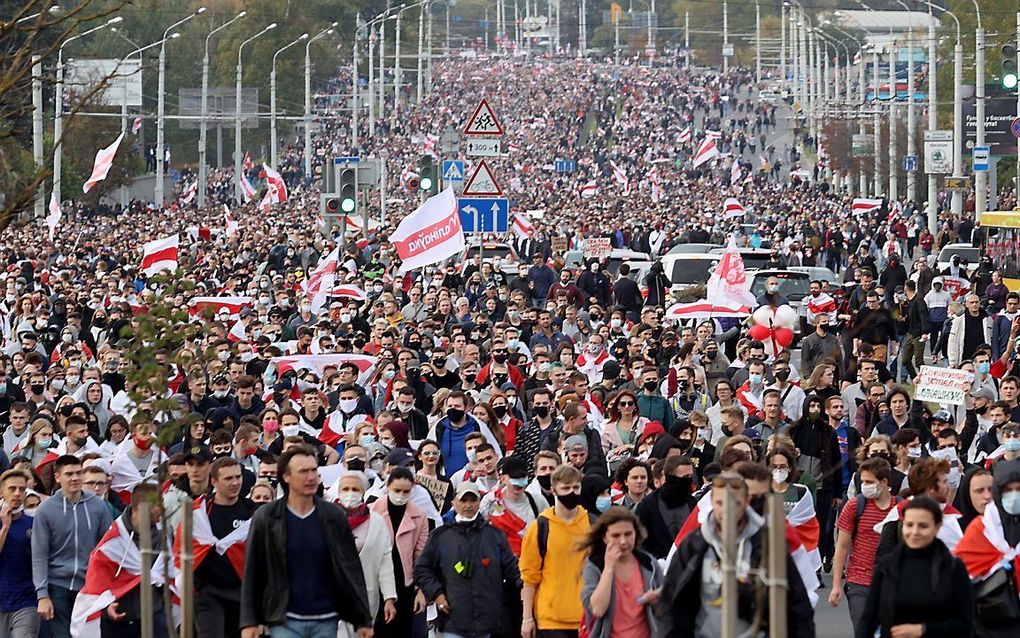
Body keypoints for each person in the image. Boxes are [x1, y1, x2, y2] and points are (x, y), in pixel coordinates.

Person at [657, 472, 815, 637]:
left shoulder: (768, 545)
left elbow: (797, 604)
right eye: (721, 503)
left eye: (735, 502)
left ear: (746, 502)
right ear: (712, 503)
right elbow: (670, 603)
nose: (727, 510)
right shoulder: (695, 545)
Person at [239, 445, 374, 638]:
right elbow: (253, 569)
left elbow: (351, 567)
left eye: (314, 470)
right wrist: (249, 621)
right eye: (303, 471)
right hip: (284, 619)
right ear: (286, 477)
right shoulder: (267, 517)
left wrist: (363, 619)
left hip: (326, 618)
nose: (311, 477)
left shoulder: (333, 515)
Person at [414, 481, 521, 638]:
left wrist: (524, 585)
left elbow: (511, 567)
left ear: (479, 502)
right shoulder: (440, 535)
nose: (468, 505)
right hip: (452, 620)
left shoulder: (494, 535)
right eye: (463, 500)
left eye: (473, 500)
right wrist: (437, 594)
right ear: (454, 503)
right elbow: (422, 569)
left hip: (486, 621)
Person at [856, 496, 974, 638]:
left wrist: (924, 630)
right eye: (909, 525)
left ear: (937, 527)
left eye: (923, 526)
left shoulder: (953, 567)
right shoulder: (886, 566)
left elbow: (966, 623)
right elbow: (868, 619)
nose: (915, 532)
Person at [30, 455, 113, 638]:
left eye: (78, 473)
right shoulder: (46, 510)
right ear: (58, 477)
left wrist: (107, 588)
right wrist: (42, 595)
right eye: (69, 474)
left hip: (89, 586)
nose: (75, 478)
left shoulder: (98, 506)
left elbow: (107, 549)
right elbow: (39, 554)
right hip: (57, 585)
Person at [519, 464, 592, 638]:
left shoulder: (592, 524)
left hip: (587, 617)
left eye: (576, 487)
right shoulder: (540, 527)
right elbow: (529, 576)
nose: (572, 492)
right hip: (550, 619)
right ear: (553, 490)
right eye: (566, 488)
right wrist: (527, 618)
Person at [189, 458, 257, 638]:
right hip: (209, 593)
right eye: (228, 479)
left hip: (242, 592)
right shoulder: (200, 512)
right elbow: (184, 550)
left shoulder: (252, 512)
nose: (235, 483)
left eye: (238, 477)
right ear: (214, 481)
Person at [829, 457, 897, 636]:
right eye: (862, 481)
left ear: (883, 482)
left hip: (891, 583)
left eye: (869, 482)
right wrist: (836, 585)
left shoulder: (900, 508)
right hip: (859, 582)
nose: (864, 486)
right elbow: (842, 546)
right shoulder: (854, 506)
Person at [953, 458, 1020, 638]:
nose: (1014, 496)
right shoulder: (981, 528)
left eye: (1019, 490)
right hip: (989, 627)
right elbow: (957, 578)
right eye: (1008, 490)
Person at [331, 471, 397, 638]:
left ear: (363, 492)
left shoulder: (377, 522)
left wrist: (389, 597)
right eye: (345, 489)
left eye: (355, 489)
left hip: (365, 596)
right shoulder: (325, 517)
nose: (350, 493)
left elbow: (385, 560)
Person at [579, 507, 662, 638]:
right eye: (615, 536)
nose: (623, 541)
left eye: (628, 534)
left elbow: (666, 610)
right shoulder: (594, 567)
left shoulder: (648, 563)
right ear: (604, 538)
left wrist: (656, 602)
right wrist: (609, 568)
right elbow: (597, 609)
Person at [370, 466, 428, 638]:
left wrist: (420, 589)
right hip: (377, 583)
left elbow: (421, 555)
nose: (401, 495)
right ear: (388, 486)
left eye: (406, 491)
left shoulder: (419, 515)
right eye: (397, 490)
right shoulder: (372, 511)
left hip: (405, 585)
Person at [0, 469, 38, 638]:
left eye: (21, 489)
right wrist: (5, 527)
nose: (17, 493)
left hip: (26, 600)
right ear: (1, 491)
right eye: (12, 488)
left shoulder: (34, 523)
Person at [634, 455, 696, 559]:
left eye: (691, 476)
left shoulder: (692, 503)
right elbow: (639, 541)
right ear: (671, 477)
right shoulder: (648, 505)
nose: (689, 481)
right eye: (685, 477)